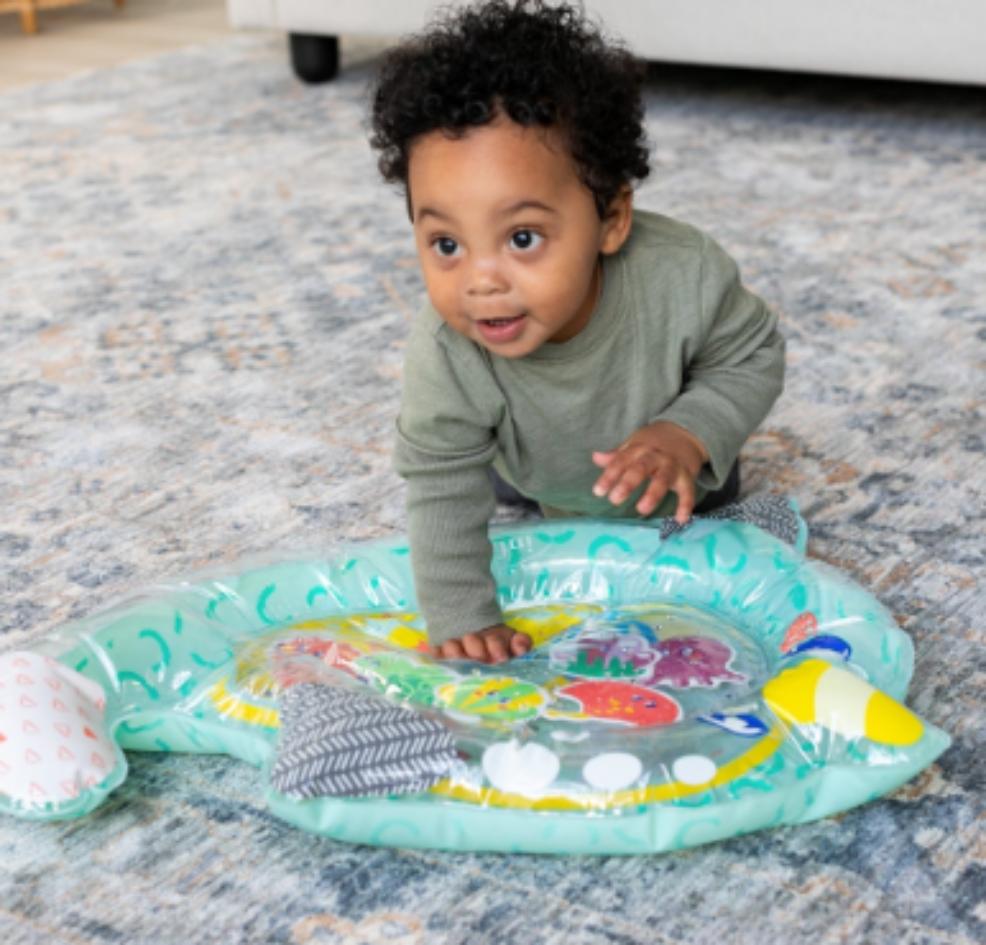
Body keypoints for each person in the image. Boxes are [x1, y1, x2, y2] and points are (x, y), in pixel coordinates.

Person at [369, 0, 785, 664]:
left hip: (681, 480)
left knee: (707, 533)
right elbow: (439, 476)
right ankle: (524, 475)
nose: (480, 280)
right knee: (478, 468)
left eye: (522, 238)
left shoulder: (682, 273)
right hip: (535, 473)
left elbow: (752, 353)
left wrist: (688, 433)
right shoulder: (448, 350)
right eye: (446, 243)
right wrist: (462, 616)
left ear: (611, 219)